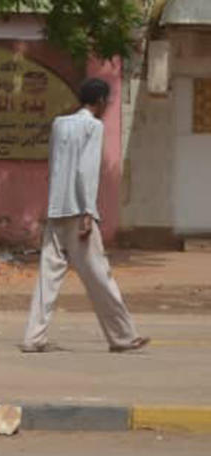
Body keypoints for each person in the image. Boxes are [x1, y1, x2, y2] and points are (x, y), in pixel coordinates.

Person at [22, 78, 149, 353]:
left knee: (48, 277)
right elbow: (86, 171)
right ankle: (123, 336)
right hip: (79, 210)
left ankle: (33, 337)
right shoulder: (94, 126)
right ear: (101, 101)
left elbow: (56, 165)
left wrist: (53, 203)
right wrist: (89, 211)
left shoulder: (59, 124)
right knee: (99, 276)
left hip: (57, 208)